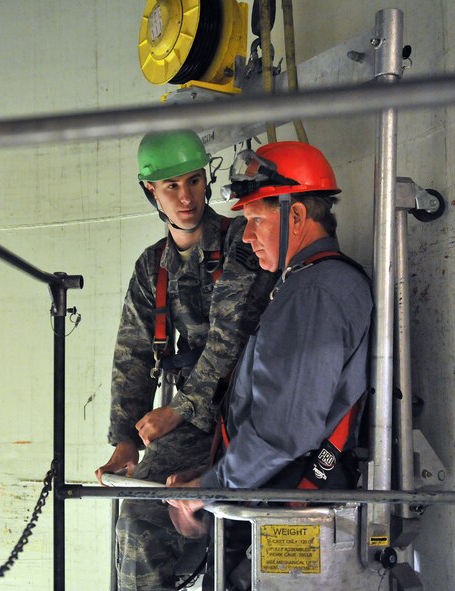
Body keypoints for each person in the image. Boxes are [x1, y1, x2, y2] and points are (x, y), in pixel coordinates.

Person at [166, 141, 373, 547]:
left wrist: (211, 489)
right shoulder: (307, 283)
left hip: (289, 498)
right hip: (274, 490)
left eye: (256, 219)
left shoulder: (315, 291)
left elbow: (284, 430)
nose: (245, 236)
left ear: (296, 216)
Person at [95, 130, 275, 590]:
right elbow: (132, 356)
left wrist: (177, 410)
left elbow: (229, 338)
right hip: (192, 423)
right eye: (171, 186)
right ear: (150, 191)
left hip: (251, 409)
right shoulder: (151, 266)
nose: (185, 197)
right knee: (137, 521)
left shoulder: (243, 239)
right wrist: (125, 441)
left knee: (243, 536)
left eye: (194, 181)